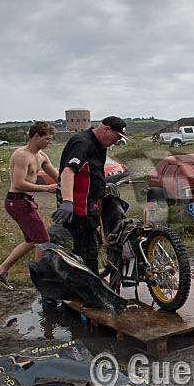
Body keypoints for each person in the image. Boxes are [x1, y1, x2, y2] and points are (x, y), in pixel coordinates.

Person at [51, 116, 127, 273]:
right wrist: (67, 201)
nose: (116, 142)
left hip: (91, 205)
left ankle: (85, 277)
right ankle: (87, 283)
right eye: (116, 137)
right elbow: (67, 172)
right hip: (79, 208)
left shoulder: (99, 144)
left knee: (93, 243)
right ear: (106, 129)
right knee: (87, 253)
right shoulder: (83, 143)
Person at [0, 121, 59, 290]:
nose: (49, 142)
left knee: (32, 240)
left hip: (26, 201)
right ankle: (40, 278)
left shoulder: (41, 156)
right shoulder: (21, 155)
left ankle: (0, 270)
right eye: (47, 138)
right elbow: (18, 183)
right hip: (17, 201)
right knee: (42, 239)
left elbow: (58, 177)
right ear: (36, 136)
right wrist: (46, 188)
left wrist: (75, 185)